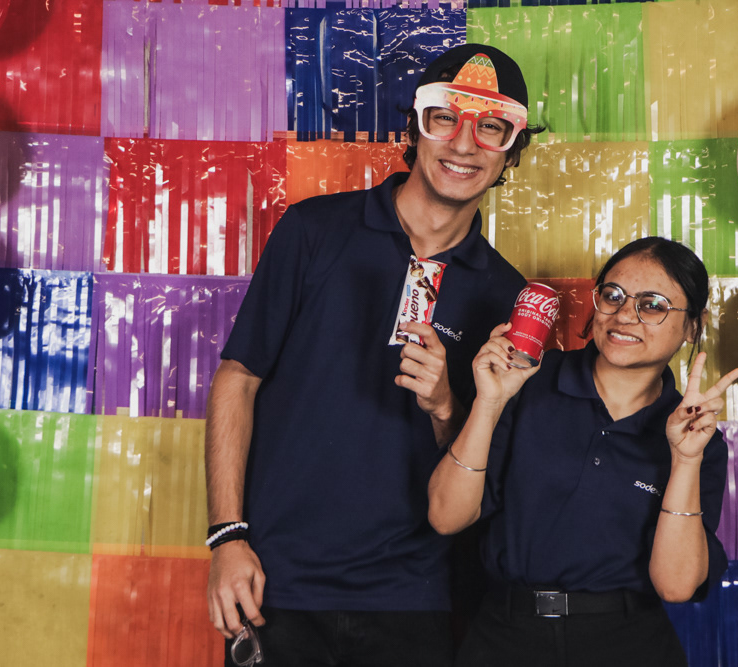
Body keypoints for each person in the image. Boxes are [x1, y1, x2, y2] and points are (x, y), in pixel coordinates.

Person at [205, 43, 541, 667]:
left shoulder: (506, 297)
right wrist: (227, 537)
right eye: (446, 118)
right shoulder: (313, 230)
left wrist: (445, 405)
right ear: (415, 126)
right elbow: (238, 378)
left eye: (491, 128)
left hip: (412, 596)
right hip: (277, 580)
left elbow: (479, 470)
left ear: (511, 152)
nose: (464, 144)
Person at [427, 237, 738, 667]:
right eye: (613, 296)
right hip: (505, 637)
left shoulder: (696, 438)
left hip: (629, 644)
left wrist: (685, 460)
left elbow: (676, 586)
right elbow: (446, 517)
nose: (625, 315)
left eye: (652, 305)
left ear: (692, 325)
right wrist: (489, 402)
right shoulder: (528, 383)